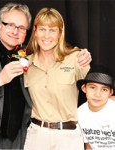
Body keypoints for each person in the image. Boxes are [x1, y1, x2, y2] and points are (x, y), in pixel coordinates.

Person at [0, 2, 91, 149]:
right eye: (10, 25)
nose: (15, 31)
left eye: (21, 28)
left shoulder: (27, 57)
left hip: (20, 141)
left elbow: (97, 86)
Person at [23, 7, 90, 150]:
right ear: (35, 31)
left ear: (60, 33)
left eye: (52, 30)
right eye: (42, 29)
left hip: (68, 137)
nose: (47, 35)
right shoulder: (25, 64)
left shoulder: (76, 58)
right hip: (37, 136)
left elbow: (96, 89)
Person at [77, 65, 115, 150]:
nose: (97, 94)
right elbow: (88, 145)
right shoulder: (80, 113)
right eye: (93, 87)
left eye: (104, 89)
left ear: (110, 93)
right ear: (84, 88)